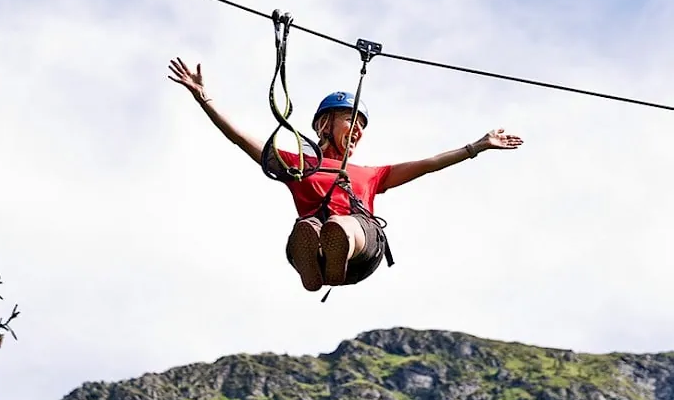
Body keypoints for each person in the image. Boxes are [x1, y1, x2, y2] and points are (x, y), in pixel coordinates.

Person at [167, 57, 523, 292]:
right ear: (324, 124)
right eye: (350, 120)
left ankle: (335, 251)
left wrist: (478, 145)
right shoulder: (298, 165)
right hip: (318, 250)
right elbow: (241, 138)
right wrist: (204, 99)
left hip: (362, 248)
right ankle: (315, 262)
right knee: (309, 228)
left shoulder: (370, 174)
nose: (357, 130)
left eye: (361, 126)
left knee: (340, 225)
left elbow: (429, 163)